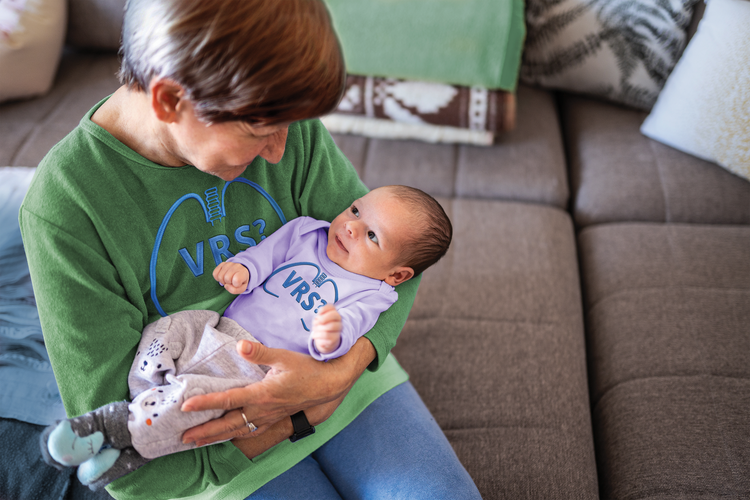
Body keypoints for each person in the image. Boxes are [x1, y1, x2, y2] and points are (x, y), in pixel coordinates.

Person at [20, 0, 482, 498]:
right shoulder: (67, 206)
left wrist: (339, 374)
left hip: (347, 385)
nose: (281, 151)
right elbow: (134, 468)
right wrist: (295, 416)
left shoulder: (279, 115)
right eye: (260, 133)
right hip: (213, 443)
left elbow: (396, 264)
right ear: (170, 100)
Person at [40, 185, 453, 490]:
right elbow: (266, 254)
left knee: (197, 397)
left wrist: (330, 337)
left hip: (259, 368)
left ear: (396, 275)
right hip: (218, 329)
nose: (350, 227)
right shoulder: (308, 232)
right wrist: (245, 270)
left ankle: (112, 430)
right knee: (171, 327)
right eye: (356, 210)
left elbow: (345, 335)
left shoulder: (372, 294)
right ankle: (146, 393)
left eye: (371, 236)